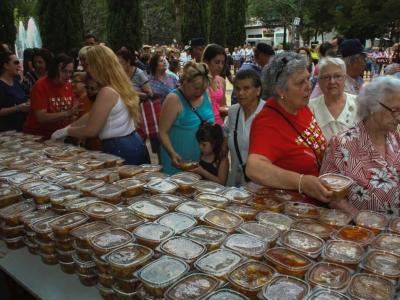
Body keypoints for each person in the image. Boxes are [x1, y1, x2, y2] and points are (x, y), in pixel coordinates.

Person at [246, 52, 332, 204]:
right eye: (300, 83)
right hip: (291, 210)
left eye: (308, 78)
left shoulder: (300, 105)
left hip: (316, 204)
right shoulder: (267, 122)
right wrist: (301, 182)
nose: (308, 86)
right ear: (280, 90)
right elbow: (254, 168)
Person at [51, 45, 150, 165]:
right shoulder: (119, 85)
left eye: (88, 65)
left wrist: (66, 132)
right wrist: (67, 128)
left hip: (119, 148)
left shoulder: (106, 92)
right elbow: (92, 115)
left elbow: (91, 130)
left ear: (97, 66)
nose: (86, 70)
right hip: (133, 143)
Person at [321, 76, 400, 216]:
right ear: (372, 107)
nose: (399, 117)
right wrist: (359, 218)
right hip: (358, 232)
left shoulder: (395, 137)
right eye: (394, 110)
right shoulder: (341, 144)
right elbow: (328, 194)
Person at [159, 61, 215, 175]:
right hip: (179, 162)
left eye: (203, 89)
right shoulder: (173, 99)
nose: (199, 92)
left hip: (202, 162)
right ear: (185, 80)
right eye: (196, 88)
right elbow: (162, 132)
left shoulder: (205, 94)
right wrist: (172, 153)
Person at [224, 69, 265, 187]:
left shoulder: (268, 113)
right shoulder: (233, 112)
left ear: (258, 90)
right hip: (234, 185)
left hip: (259, 188)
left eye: (246, 88)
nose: (240, 93)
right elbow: (226, 135)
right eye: (237, 88)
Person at [23, 53, 75, 139]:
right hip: (37, 135)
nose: (68, 75)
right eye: (64, 71)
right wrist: (67, 113)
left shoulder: (68, 85)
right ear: (55, 69)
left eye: (70, 72)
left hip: (59, 135)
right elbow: (41, 117)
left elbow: (71, 113)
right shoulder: (40, 86)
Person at [309, 57, 359, 142]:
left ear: (345, 78)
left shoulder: (359, 104)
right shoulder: (310, 108)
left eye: (337, 76)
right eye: (326, 77)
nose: (332, 81)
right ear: (319, 81)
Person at [0, 50, 30, 131]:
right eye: (16, 63)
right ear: (6, 65)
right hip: (7, 133)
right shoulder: (1, 85)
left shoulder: (17, 82)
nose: (19, 65)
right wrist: (18, 108)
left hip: (22, 129)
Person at [202, 44, 227, 126]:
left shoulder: (221, 81)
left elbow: (223, 105)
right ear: (206, 61)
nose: (220, 66)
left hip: (219, 127)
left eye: (222, 63)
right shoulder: (199, 81)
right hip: (203, 127)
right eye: (217, 62)